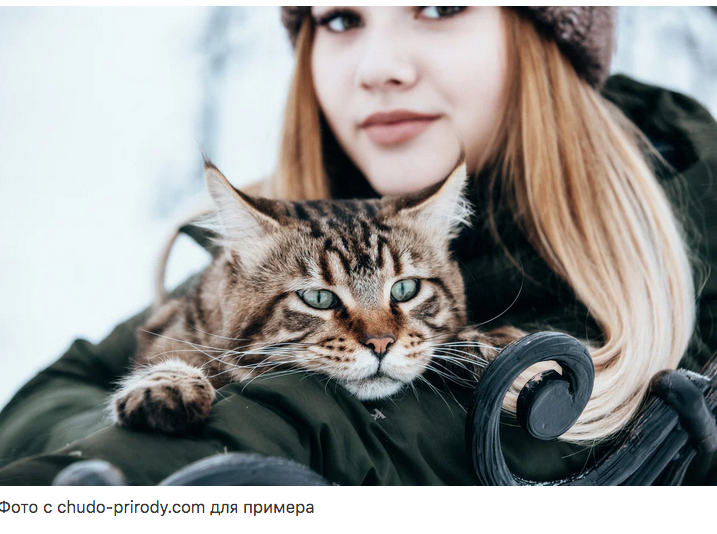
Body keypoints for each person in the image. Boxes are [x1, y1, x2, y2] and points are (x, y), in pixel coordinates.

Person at [0, 6, 714, 485]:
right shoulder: (292, 229)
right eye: (339, 16)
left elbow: (335, 428)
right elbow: (52, 394)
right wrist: (136, 406)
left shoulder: (658, 279)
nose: (377, 66)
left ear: (539, 36)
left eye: (436, 6)